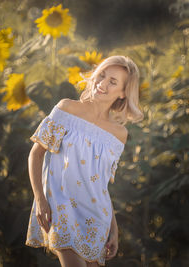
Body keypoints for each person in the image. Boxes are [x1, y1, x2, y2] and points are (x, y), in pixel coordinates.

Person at [25, 55, 144, 267]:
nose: (102, 84)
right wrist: (40, 199)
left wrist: (114, 229)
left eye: (112, 82)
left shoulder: (119, 134)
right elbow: (36, 153)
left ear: (124, 92)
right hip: (60, 207)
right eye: (102, 76)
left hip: (96, 216)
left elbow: (101, 186)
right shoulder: (67, 109)